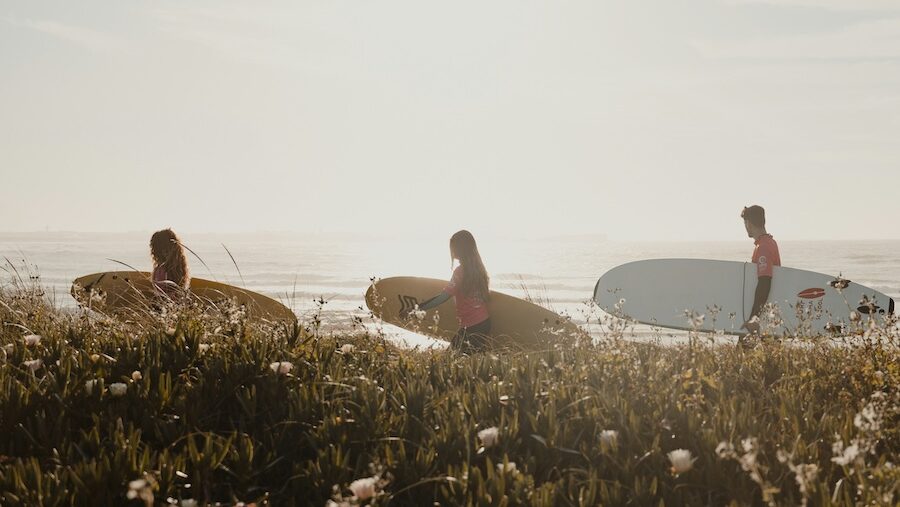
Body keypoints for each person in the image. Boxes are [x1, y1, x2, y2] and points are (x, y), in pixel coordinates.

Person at [409, 230, 491, 352]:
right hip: (484, 322)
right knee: (468, 361)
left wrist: (418, 308)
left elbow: (444, 297)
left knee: (449, 360)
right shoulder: (479, 268)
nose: (452, 251)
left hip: (471, 327)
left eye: (454, 247)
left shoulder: (460, 272)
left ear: (462, 248)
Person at [741, 205, 780, 336]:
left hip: (760, 316)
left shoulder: (763, 247)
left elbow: (765, 282)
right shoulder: (770, 242)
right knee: (768, 352)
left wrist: (754, 318)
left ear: (748, 223)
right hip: (768, 313)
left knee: (743, 353)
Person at [150, 228, 190, 297]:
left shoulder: (162, 270)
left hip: (164, 305)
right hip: (176, 305)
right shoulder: (180, 267)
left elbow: (162, 295)